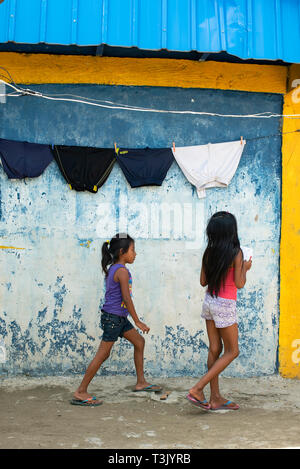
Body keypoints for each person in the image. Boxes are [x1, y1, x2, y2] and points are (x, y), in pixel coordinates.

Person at [71, 233, 162, 406]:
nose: (135, 254)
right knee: (103, 354)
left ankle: (141, 382)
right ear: (122, 252)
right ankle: (81, 391)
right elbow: (127, 299)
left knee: (139, 342)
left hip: (118, 318)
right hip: (114, 318)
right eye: (132, 250)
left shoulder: (115, 268)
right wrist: (138, 321)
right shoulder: (121, 271)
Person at [187, 212, 252, 411]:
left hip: (210, 301)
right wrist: (245, 268)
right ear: (232, 231)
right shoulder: (236, 253)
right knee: (233, 351)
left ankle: (215, 398)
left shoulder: (209, 252)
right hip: (224, 304)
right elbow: (239, 284)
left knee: (215, 348)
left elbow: (203, 282)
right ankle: (198, 389)